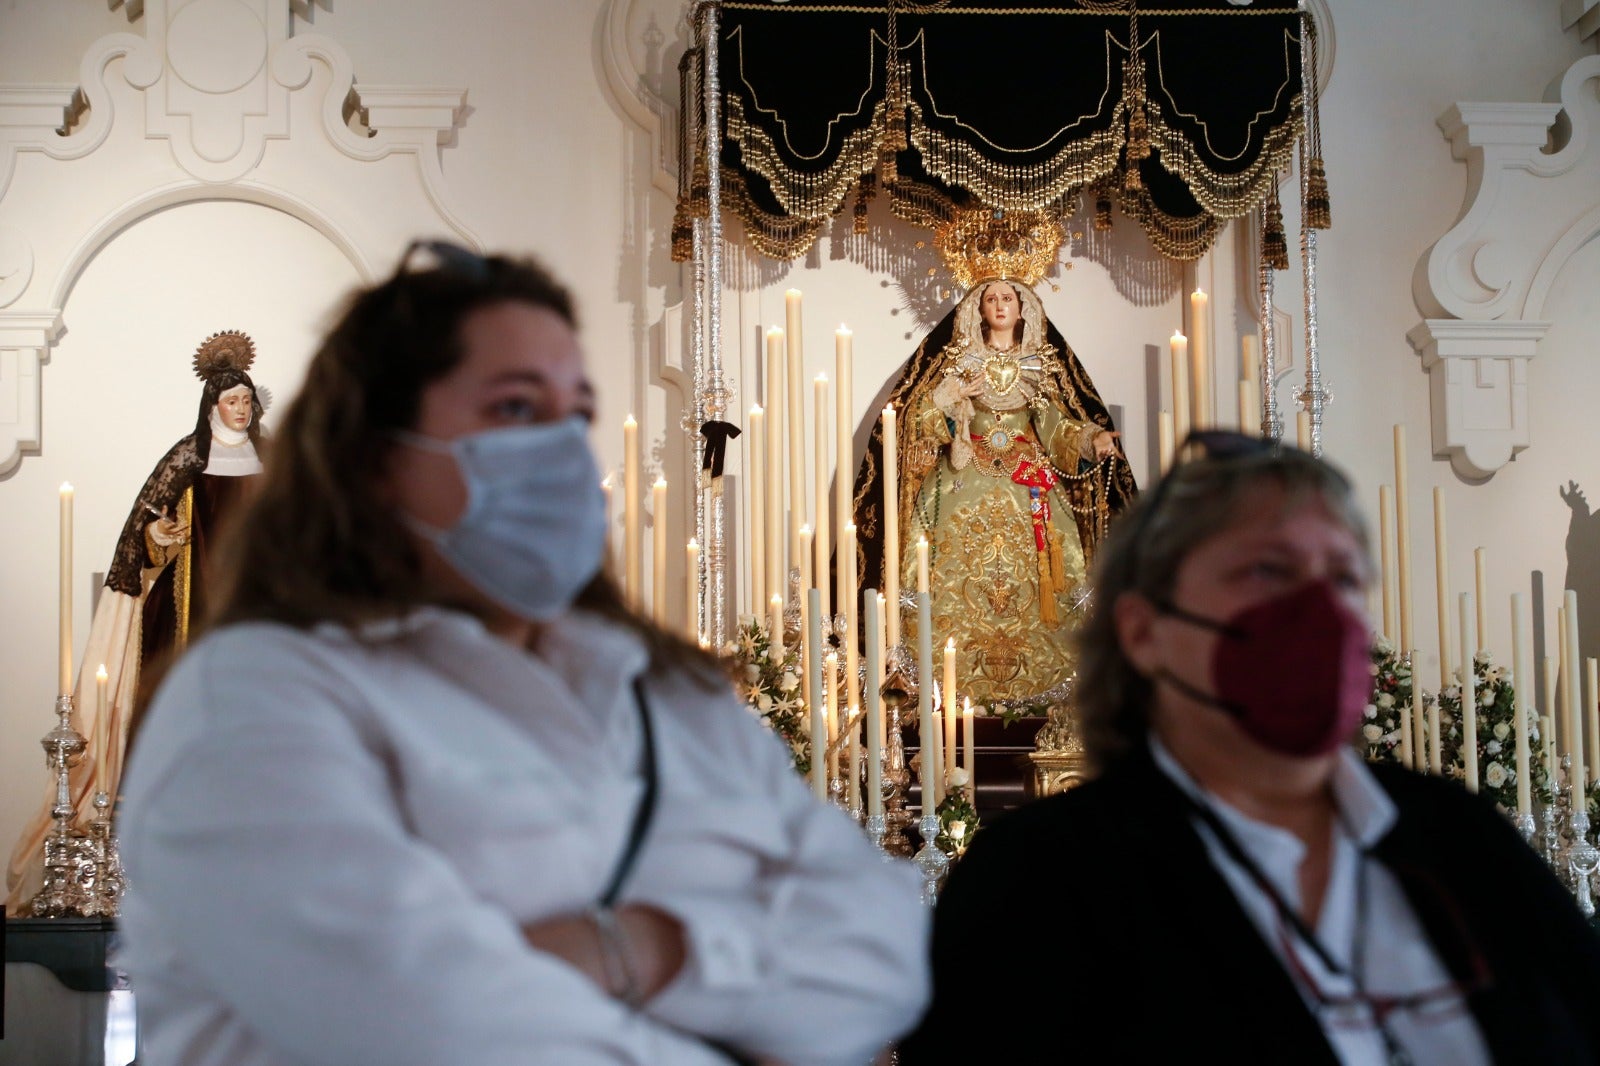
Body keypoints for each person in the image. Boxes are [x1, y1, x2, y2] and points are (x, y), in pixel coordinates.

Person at [116, 243, 929, 1066]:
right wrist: (745, 976)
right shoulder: (253, 700)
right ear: (376, 457)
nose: (562, 451)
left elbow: (884, 950)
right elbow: (431, 1027)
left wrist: (637, 950)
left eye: (575, 415)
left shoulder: (665, 695)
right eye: (513, 409)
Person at [900, 433, 1600, 1063]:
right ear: (1144, 631)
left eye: (1345, 577)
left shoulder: (1458, 835)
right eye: (1269, 570)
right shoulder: (1039, 880)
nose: (1320, 609)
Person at [5, 331, 266, 912]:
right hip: (193, 607)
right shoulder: (188, 458)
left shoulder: (271, 463)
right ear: (212, 407)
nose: (242, 408)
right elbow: (143, 534)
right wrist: (160, 535)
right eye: (233, 401)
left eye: (247, 399)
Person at [853, 277, 1136, 708]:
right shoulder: (959, 361)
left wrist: (1090, 439)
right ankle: (945, 686)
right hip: (963, 476)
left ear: (1024, 309)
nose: (1000, 306)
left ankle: (1045, 690)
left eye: (1008, 298)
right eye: (991, 299)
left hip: (1031, 484)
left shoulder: (1040, 362)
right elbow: (917, 422)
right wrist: (949, 398)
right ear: (977, 310)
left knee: (1048, 575)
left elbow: (1057, 426)